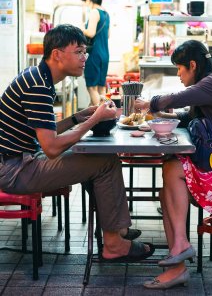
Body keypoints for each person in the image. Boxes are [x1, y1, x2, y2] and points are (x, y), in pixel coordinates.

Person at [0, 24, 154, 264]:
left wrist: (78, 117)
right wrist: (94, 119)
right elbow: (51, 148)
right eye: (79, 52)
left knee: (104, 158)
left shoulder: (38, 77)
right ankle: (114, 243)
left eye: (85, 52)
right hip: (15, 170)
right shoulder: (38, 86)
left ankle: (117, 231)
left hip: (23, 160)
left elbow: (43, 133)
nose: (85, 58)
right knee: (104, 161)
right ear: (57, 54)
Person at [135, 40, 212, 289]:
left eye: (180, 69)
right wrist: (163, 116)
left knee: (171, 169)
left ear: (193, 65)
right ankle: (178, 259)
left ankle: (179, 252)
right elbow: (187, 116)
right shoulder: (208, 88)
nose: (178, 75)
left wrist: (150, 104)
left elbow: (178, 99)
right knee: (168, 180)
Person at [81, 0, 110, 105]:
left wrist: (82, 29)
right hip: (105, 54)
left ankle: (101, 117)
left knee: (92, 88)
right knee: (101, 89)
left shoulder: (94, 12)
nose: (85, 5)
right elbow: (108, 35)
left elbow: (91, 33)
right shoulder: (106, 14)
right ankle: (106, 116)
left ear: (89, 0)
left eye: (85, 2)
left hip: (94, 54)